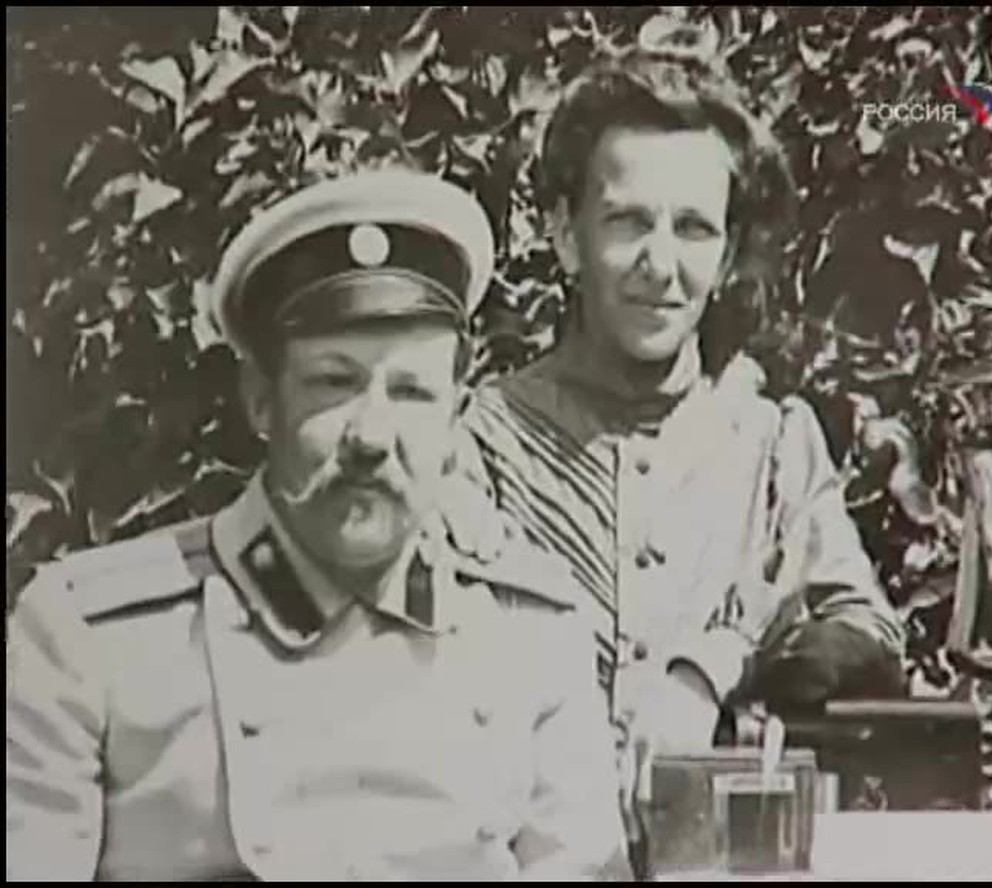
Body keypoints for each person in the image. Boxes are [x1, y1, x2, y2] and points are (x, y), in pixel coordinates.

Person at [6, 169, 629, 881]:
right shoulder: (94, 640)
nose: (372, 435)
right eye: (334, 383)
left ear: (456, 414)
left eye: (412, 391)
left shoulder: (532, 637)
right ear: (260, 401)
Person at [461, 47, 908, 792]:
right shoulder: (482, 445)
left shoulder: (773, 448)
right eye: (628, 222)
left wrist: (718, 663)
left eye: (694, 228)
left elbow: (869, 635)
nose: (662, 265)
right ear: (566, 234)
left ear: (728, 254)